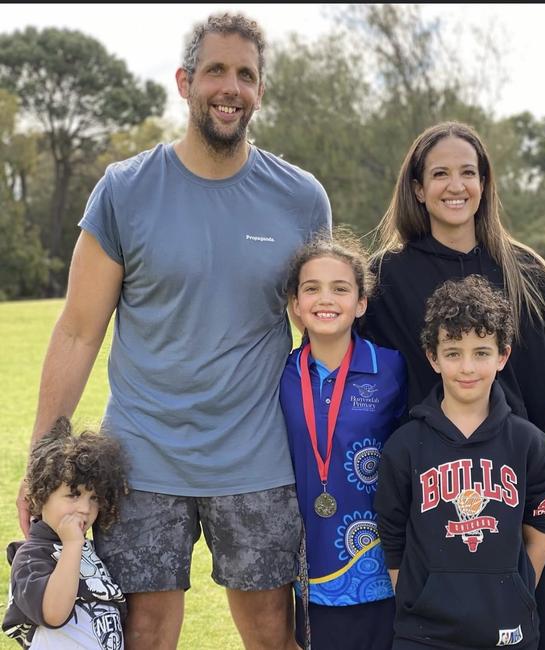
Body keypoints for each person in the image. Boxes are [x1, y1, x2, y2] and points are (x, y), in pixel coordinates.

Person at [15, 12, 331, 650]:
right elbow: (79, 331)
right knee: (145, 633)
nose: (230, 87)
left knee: (273, 631)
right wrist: (43, 458)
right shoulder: (124, 191)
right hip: (142, 458)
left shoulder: (301, 199)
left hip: (259, 458)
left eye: (246, 74)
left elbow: (327, 328)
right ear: (185, 81)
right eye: (215, 69)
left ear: (260, 91)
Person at [361, 120, 545, 650]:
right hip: (439, 495)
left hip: (526, 490)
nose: (455, 185)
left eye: (468, 172)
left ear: (486, 183)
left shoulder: (525, 272)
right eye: (440, 173)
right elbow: (357, 373)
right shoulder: (387, 278)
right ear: (418, 189)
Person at [375, 275, 545, 650]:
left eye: (481, 352)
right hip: (424, 632)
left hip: (508, 627)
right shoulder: (405, 446)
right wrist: (417, 597)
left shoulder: (530, 445)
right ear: (433, 358)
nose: (467, 368)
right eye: (453, 352)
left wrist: (519, 594)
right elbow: (392, 537)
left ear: (502, 356)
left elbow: (539, 532)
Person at [279, 231, 407, 650]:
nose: (325, 299)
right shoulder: (281, 374)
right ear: (296, 305)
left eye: (340, 289)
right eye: (311, 289)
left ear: (361, 302)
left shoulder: (391, 369)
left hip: (382, 564)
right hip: (308, 564)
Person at [4, 417, 128, 649]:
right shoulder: (31, 557)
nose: (85, 508)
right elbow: (53, 613)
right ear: (40, 496)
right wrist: (71, 546)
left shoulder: (87, 549)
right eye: (73, 494)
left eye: (94, 498)